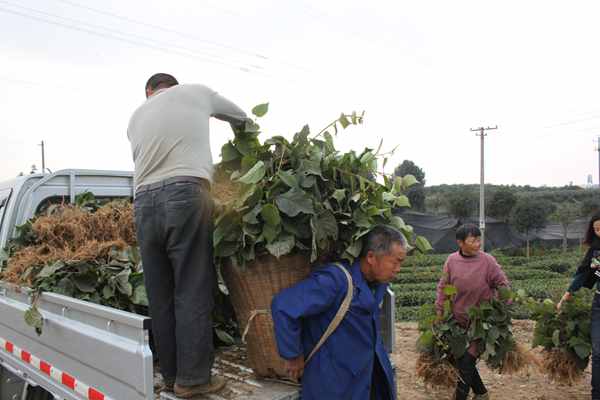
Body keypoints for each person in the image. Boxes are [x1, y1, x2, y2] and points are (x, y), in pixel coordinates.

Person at [127, 73, 248, 398]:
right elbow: (242, 117)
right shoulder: (196, 92)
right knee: (192, 287)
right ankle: (193, 380)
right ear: (174, 86)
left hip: (143, 204)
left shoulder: (136, 117)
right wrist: (244, 150)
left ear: (149, 92)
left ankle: (171, 376)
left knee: (161, 295)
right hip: (185, 193)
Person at [271, 225, 406, 400]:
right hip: (334, 385)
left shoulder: (378, 284)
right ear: (371, 257)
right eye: (396, 261)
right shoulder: (336, 280)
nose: (398, 269)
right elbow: (284, 305)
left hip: (368, 378)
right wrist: (292, 355)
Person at [435, 224, 510, 400]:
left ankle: (460, 397)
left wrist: (502, 308)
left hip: (480, 323)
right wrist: (440, 311)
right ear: (460, 243)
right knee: (460, 359)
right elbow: (443, 286)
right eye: (473, 240)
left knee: (467, 361)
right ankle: (482, 393)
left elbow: (503, 284)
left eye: (479, 239)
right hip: (457, 322)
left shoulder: (487, 261)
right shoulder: (451, 261)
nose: (478, 243)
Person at [557, 212, 600, 400]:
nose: (599, 232)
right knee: (598, 351)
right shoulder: (596, 250)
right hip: (599, 304)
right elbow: (583, 273)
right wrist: (567, 294)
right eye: (597, 229)